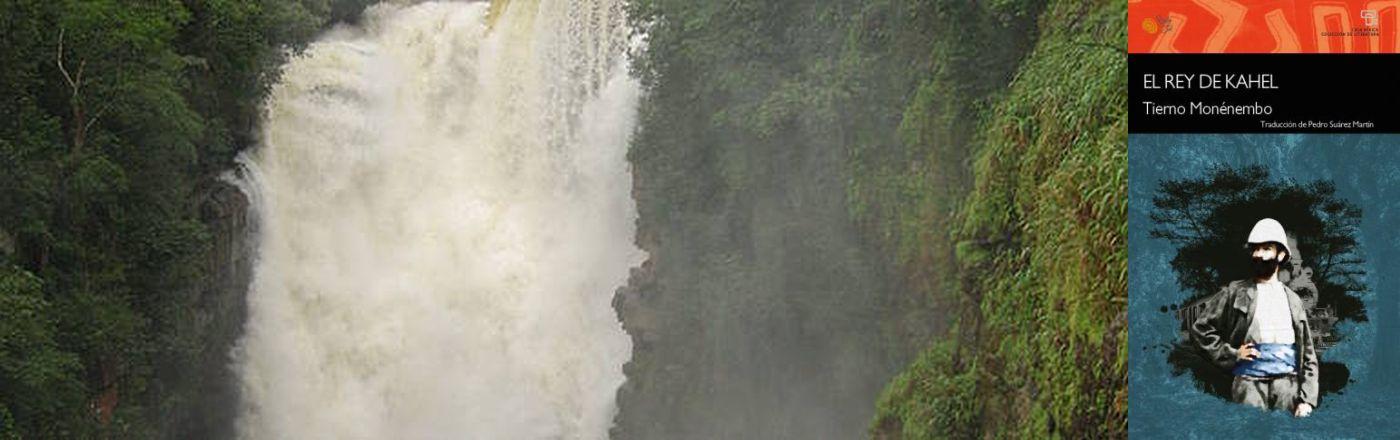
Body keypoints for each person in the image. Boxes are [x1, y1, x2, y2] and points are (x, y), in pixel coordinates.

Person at [1189, 218, 1319, 417]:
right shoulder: (1235, 292)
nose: (1259, 254)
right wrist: (1232, 354)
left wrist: (1307, 399)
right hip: (1248, 386)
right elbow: (1200, 330)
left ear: (1281, 254)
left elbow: (1308, 354)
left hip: (1287, 388)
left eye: (1266, 248)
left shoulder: (1293, 300)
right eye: (1255, 249)